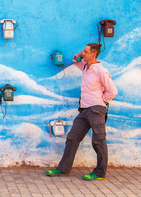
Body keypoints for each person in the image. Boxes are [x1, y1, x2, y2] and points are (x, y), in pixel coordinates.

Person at [46, 43, 118, 181]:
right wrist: (78, 56)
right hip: (84, 110)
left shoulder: (100, 70)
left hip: (96, 109)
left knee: (98, 141)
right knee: (72, 138)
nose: (83, 53)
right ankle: (63, 169)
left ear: (93, 54)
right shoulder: (85, 67)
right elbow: (75, 61)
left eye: (85, 52)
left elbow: (113, 91)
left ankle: (99, 172)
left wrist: (101, 99)